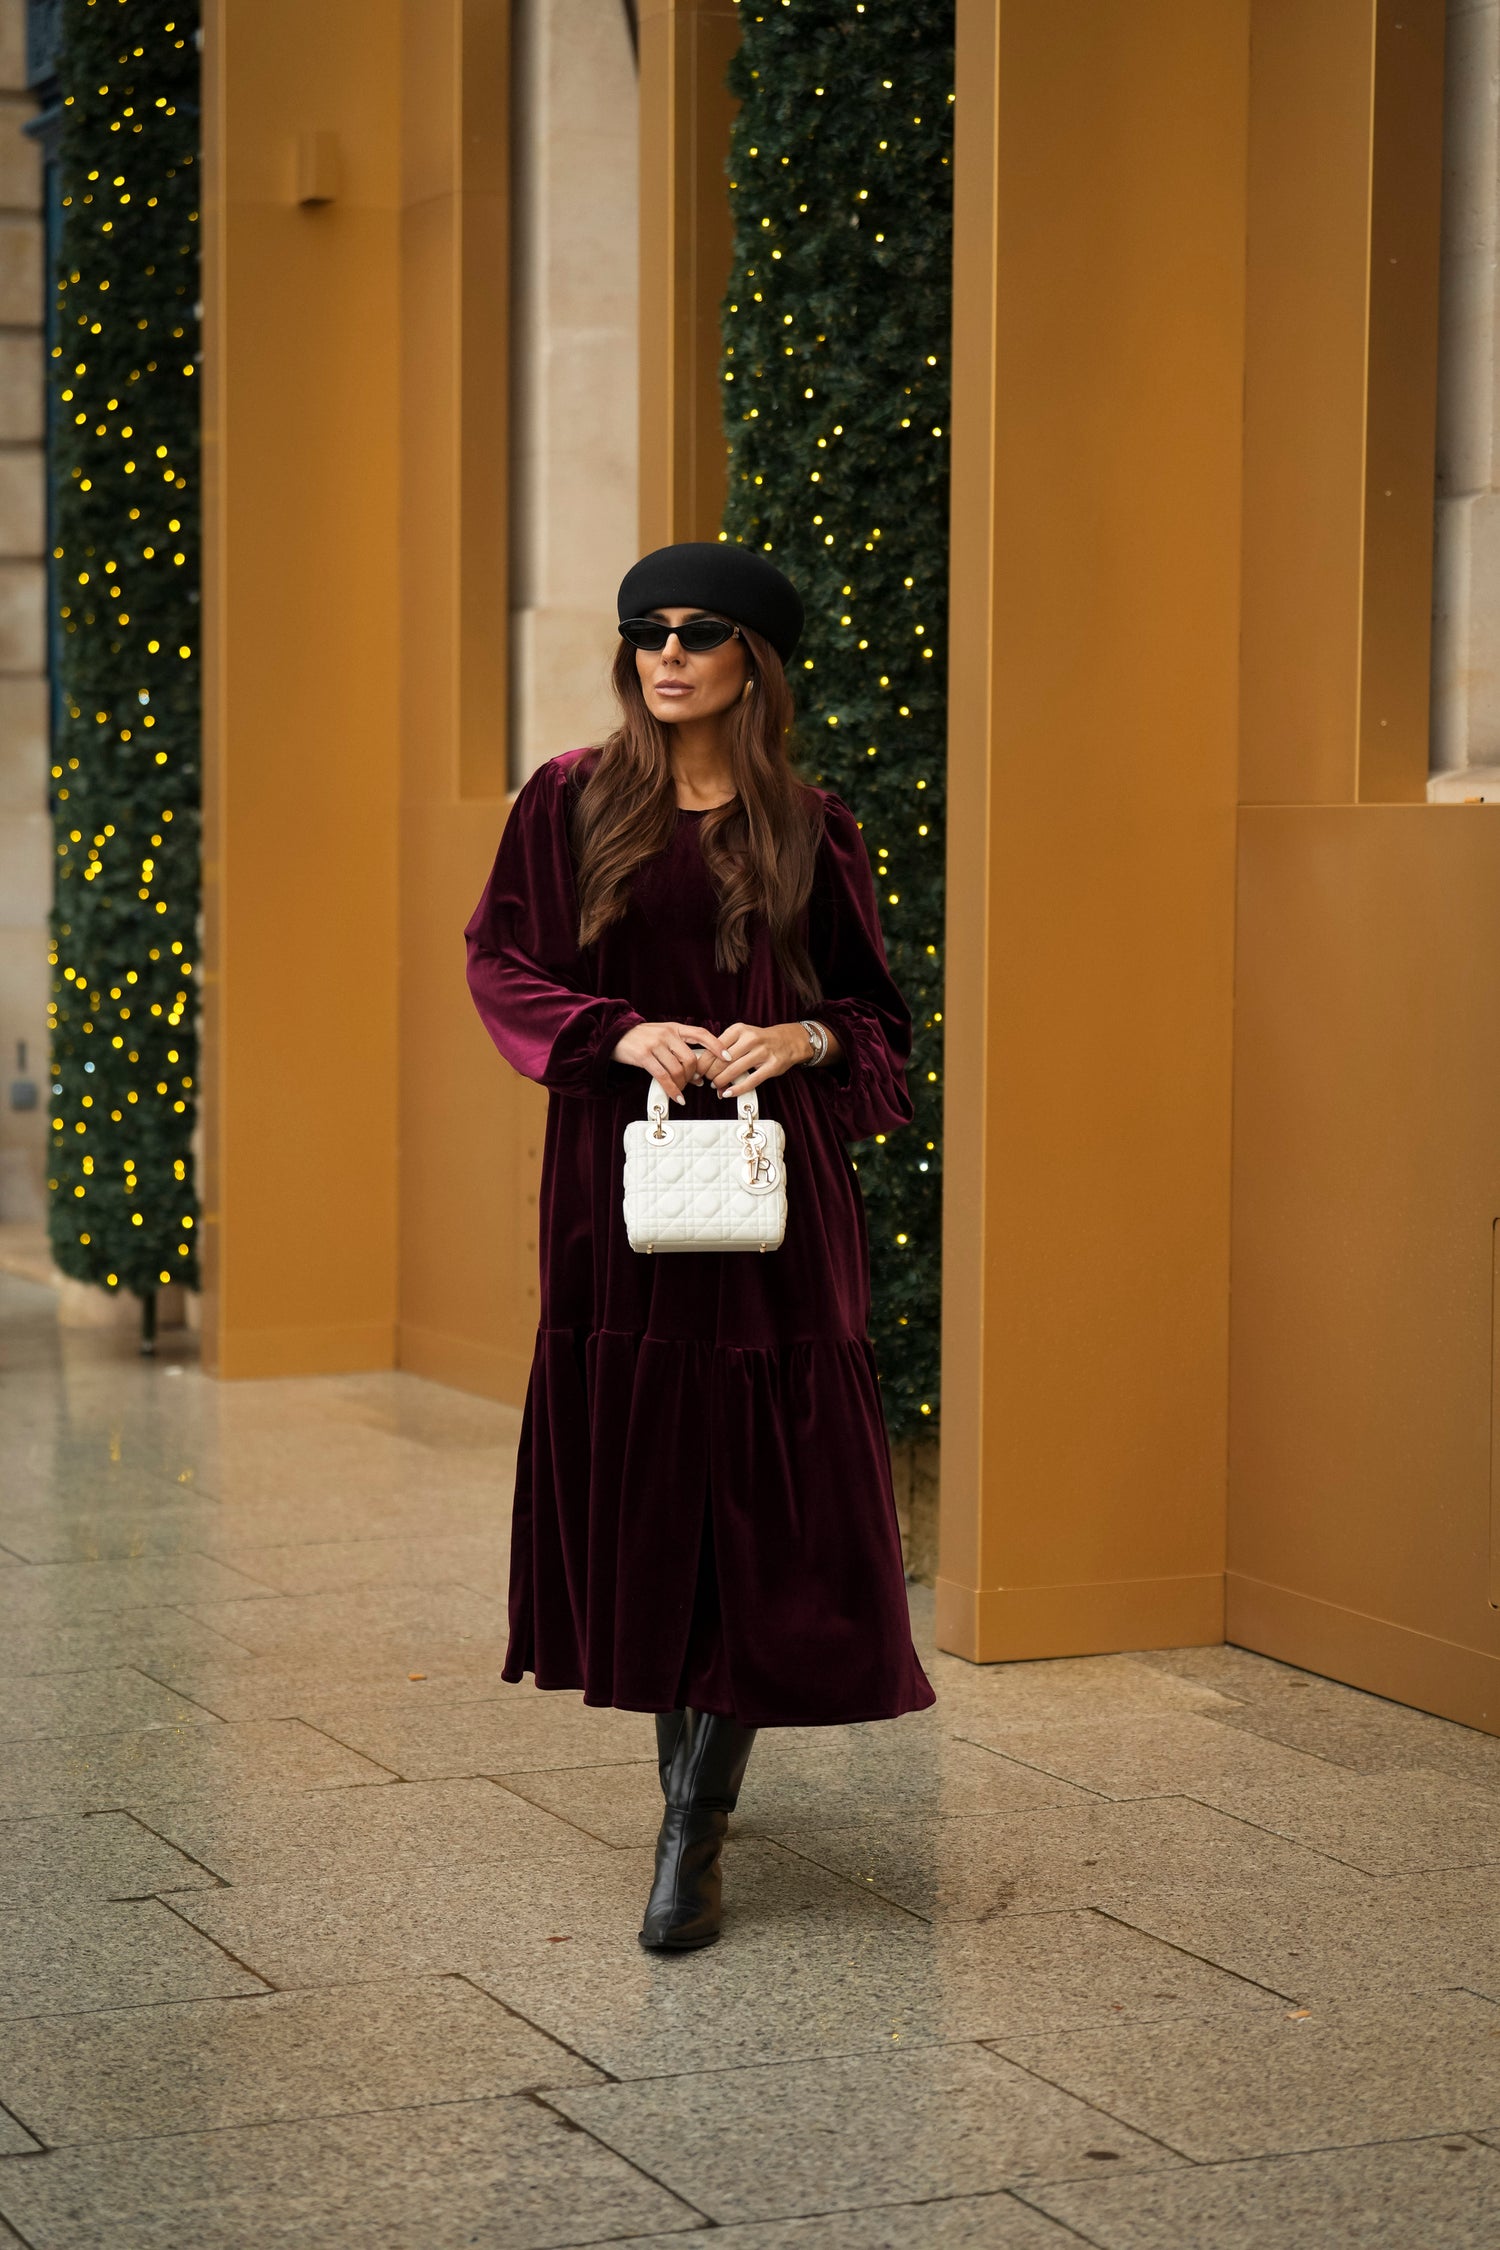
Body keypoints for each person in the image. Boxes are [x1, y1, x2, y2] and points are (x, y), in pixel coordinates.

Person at [465, 540, 934, 1952]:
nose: (666, 652)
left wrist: (798, 1038)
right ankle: (690, 1799)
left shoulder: (812, 826)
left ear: (754, 663)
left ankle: (695, 1825)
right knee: (655, 1474)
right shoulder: (569, 798)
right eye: (647, 631)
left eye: (699, 632)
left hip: (774, 1200)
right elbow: (502, 963)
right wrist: (617, 1031)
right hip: (621, 1192)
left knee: (760, 1494)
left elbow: (878, 1024)